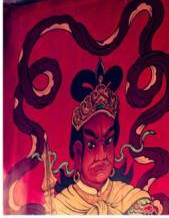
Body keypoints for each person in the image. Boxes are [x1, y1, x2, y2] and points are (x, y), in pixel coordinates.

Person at [51, 61, 158, 215]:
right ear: (78, 150)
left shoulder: (134, 200)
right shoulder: (60, 206)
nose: (102, 156)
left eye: (107, 142)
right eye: (92, 145)